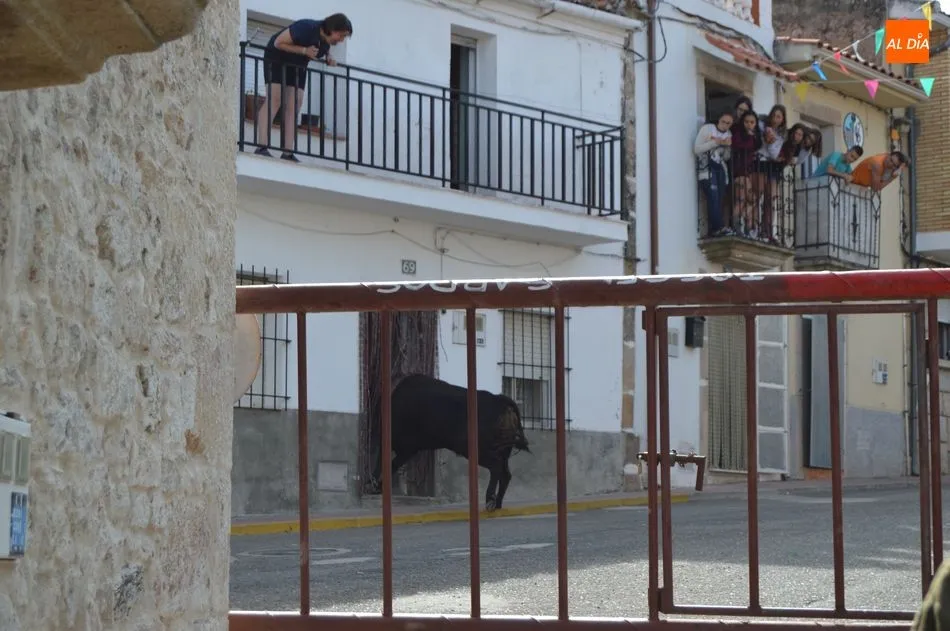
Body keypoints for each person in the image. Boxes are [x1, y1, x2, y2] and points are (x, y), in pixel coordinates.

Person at [254, 13, 354, 162]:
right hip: (276, 58)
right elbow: (278, 43)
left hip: (298, 65)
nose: (341, 40)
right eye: (341, 35)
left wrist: (328, 57)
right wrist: (304, 51)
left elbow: (323, 49)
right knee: (274, 99)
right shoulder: (306, 27)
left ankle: (287, 152)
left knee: (296, 103)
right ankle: (261, 146)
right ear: (333, 29)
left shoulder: (325, 42)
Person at [694, 111, 734, 237]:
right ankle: (717, 227)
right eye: (723, 122)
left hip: (720, 168)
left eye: (728, 123)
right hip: (707, 168)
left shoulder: (729, 134)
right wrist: (716, 142)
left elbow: (726, 157)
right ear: (718, 120)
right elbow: (697, 149)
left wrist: (727, 147)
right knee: (713, 196)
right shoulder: (707, 129)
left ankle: (719, 226)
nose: (725, 125)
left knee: (720, 197)